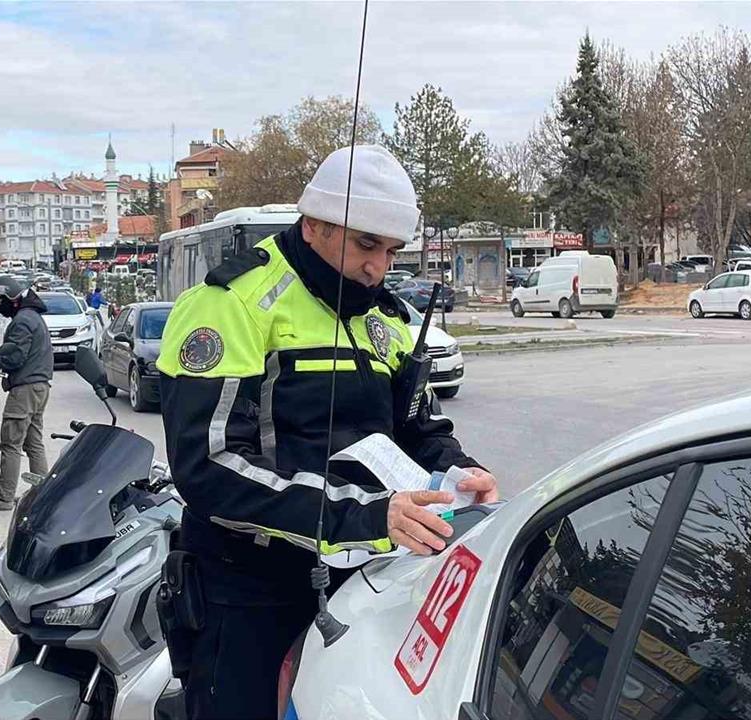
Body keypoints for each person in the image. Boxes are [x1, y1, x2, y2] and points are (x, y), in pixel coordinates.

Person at [155, 144, 500, 720]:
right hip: (248, 591)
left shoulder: (385, 316)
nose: (378, 268)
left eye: (392, 251)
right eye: (366, 245)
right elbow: (209, 467)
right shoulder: (232, 303)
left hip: (369, 581)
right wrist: (364, 516)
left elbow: (417, 427)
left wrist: (459, 470)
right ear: (314, 223)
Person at [0, 282, 52, 511]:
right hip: (40, 387)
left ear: (12, 299)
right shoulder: (33, 317)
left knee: (11, 444)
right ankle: (42, 496)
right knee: (33, 442)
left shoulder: (22, 321)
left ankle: (4, 498)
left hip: (24, 390)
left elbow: (16, 357)